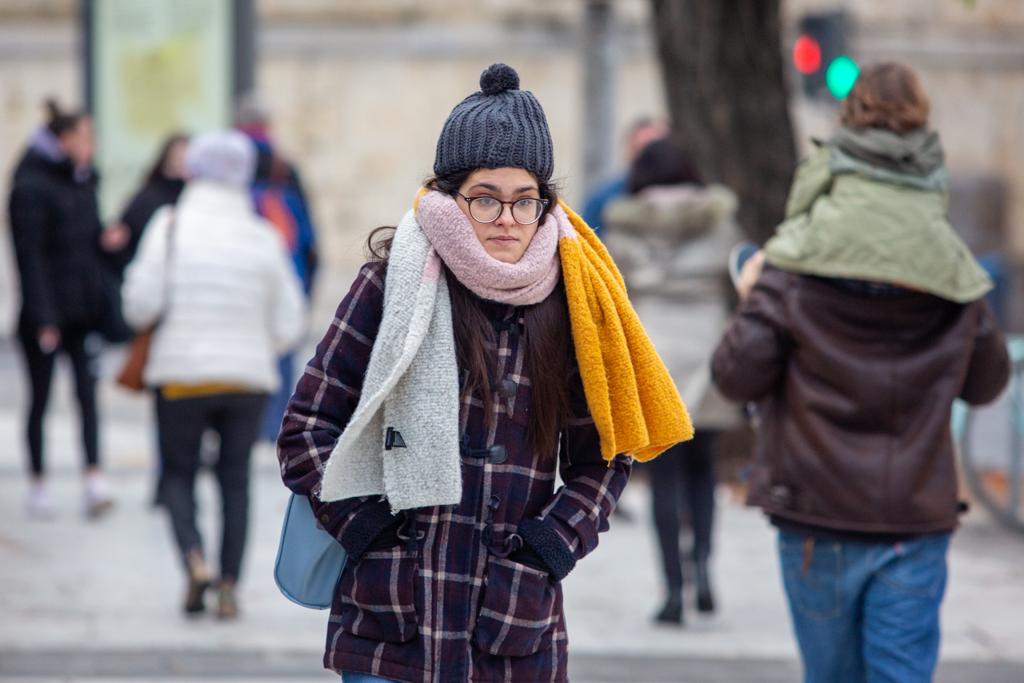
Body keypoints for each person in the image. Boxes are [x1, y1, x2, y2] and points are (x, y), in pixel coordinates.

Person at [277, 63, 691, 682]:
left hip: (510, 629)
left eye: (525, 200)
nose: (506, 217)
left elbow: (603, 456)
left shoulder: (573, 305)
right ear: (449, 196)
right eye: (485, 198)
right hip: (392, 624)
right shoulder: (388, 287)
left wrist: (547, 549)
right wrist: (365, 529)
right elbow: (306, 429)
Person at [711, 62, 1011, 683]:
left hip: (816, 517)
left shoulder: (792, 260)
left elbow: (734, 376)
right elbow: (988, 382)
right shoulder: (949, 265)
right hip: (915, 520)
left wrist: (750, 290)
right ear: (923, 133)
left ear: (843, 130)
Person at [122, 131, 305, 618]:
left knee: (178, 475)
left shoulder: (170, 225)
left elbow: (141, 304)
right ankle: (228, 586)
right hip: (245, 381)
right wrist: (255, 345)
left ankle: (194, 561)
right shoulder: (263, 235)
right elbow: (289, 321)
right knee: (235, 482)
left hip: (180, 377)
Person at [603, 138, 741, 625]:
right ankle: (702, 564)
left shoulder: (624, 229)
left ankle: (673, 592)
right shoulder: (720, 223)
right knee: (704, 468)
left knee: (664, 475)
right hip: (708, 350)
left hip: (654, 352)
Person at [8, 99, 116, 519]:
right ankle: (38, 481)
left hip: (82, 312)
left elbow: (88, 248)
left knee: (87, 396)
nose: (91, 145)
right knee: (40, 398)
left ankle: (93, 476)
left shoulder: (82, 180)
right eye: (85, 137)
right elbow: (28, 257)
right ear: (65, 139)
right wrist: (43, 317)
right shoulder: (31, 185)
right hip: (45, 316)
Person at [235, 94, 318, 443]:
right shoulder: (285, 168)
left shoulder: (231, 170)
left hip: (243, 279)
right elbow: (309, 239)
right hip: (288, 274)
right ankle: (276, 428)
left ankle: (246, 427)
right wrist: (306, 288)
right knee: (283, 353)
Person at [109, 133, 189, 274]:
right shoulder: (147, 197)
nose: (180, 163)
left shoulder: (196, 199)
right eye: (176, 157)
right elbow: (122, 238)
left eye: (184, 158)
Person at [580, 117, 668, 236]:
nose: (646, 159)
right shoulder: (603, 198)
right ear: (629, 151)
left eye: (652, 151)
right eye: (639, 150)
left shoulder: (681, 197)